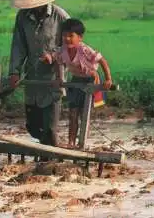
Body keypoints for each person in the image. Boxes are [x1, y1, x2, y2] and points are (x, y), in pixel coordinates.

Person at [8, 0, 70, 148]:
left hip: (53, 79)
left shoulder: (60, 17)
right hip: (32, 79)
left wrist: (54, 56)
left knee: (49, 128)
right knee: (33, 127)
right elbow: (18, 46)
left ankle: (48, 161)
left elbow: (72, 45)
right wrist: (14, 71)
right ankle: (49, 150)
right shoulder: (22, 17)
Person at [40, 18, 113, 148]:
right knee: (73, 113)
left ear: (79, 37)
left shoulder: (84, 50)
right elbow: (56, 60)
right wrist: (58, 77)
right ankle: (71, 142)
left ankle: (82, 142)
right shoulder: (62, 50)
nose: (67, 39)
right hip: (76, 81)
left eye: (70, 36)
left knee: (84, 113)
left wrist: (108, 79)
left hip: (90, 80)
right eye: (64, 36)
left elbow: (102, 61)